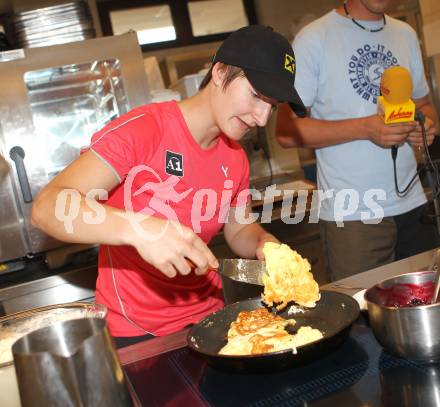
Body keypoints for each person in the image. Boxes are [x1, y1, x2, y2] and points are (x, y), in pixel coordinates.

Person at [32, 25, 307, 347]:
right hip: (137, 331)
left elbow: (239, 229)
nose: (262, 119)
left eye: (272, 106)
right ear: (219, 72)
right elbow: (48, 207)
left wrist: (265, 244)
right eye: (257, 96)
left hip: (211, 320)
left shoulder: (235, 158)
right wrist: (138, 228)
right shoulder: (145, 129)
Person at [276, 0, 439, 281]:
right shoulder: (314, 39)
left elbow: (425, 107)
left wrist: (423, 126)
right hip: (353, 215)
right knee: (362, 316)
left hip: (413, 204)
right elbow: (286, 131)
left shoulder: (405, 34)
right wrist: (365, 128)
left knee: (426, 309)